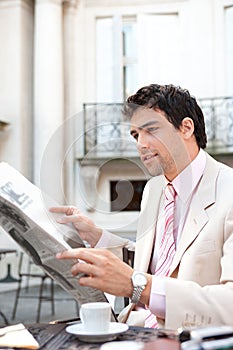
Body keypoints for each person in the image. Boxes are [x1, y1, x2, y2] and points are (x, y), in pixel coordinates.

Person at [50, 84, 233, 330]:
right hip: (135, 327)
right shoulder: (154, 190)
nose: (141, 144)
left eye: (151, 130)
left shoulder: (228, 190)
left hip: (186, 337)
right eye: (136, 135)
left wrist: (137, 287)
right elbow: (159, 263)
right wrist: (97, 236)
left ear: (186, 128)